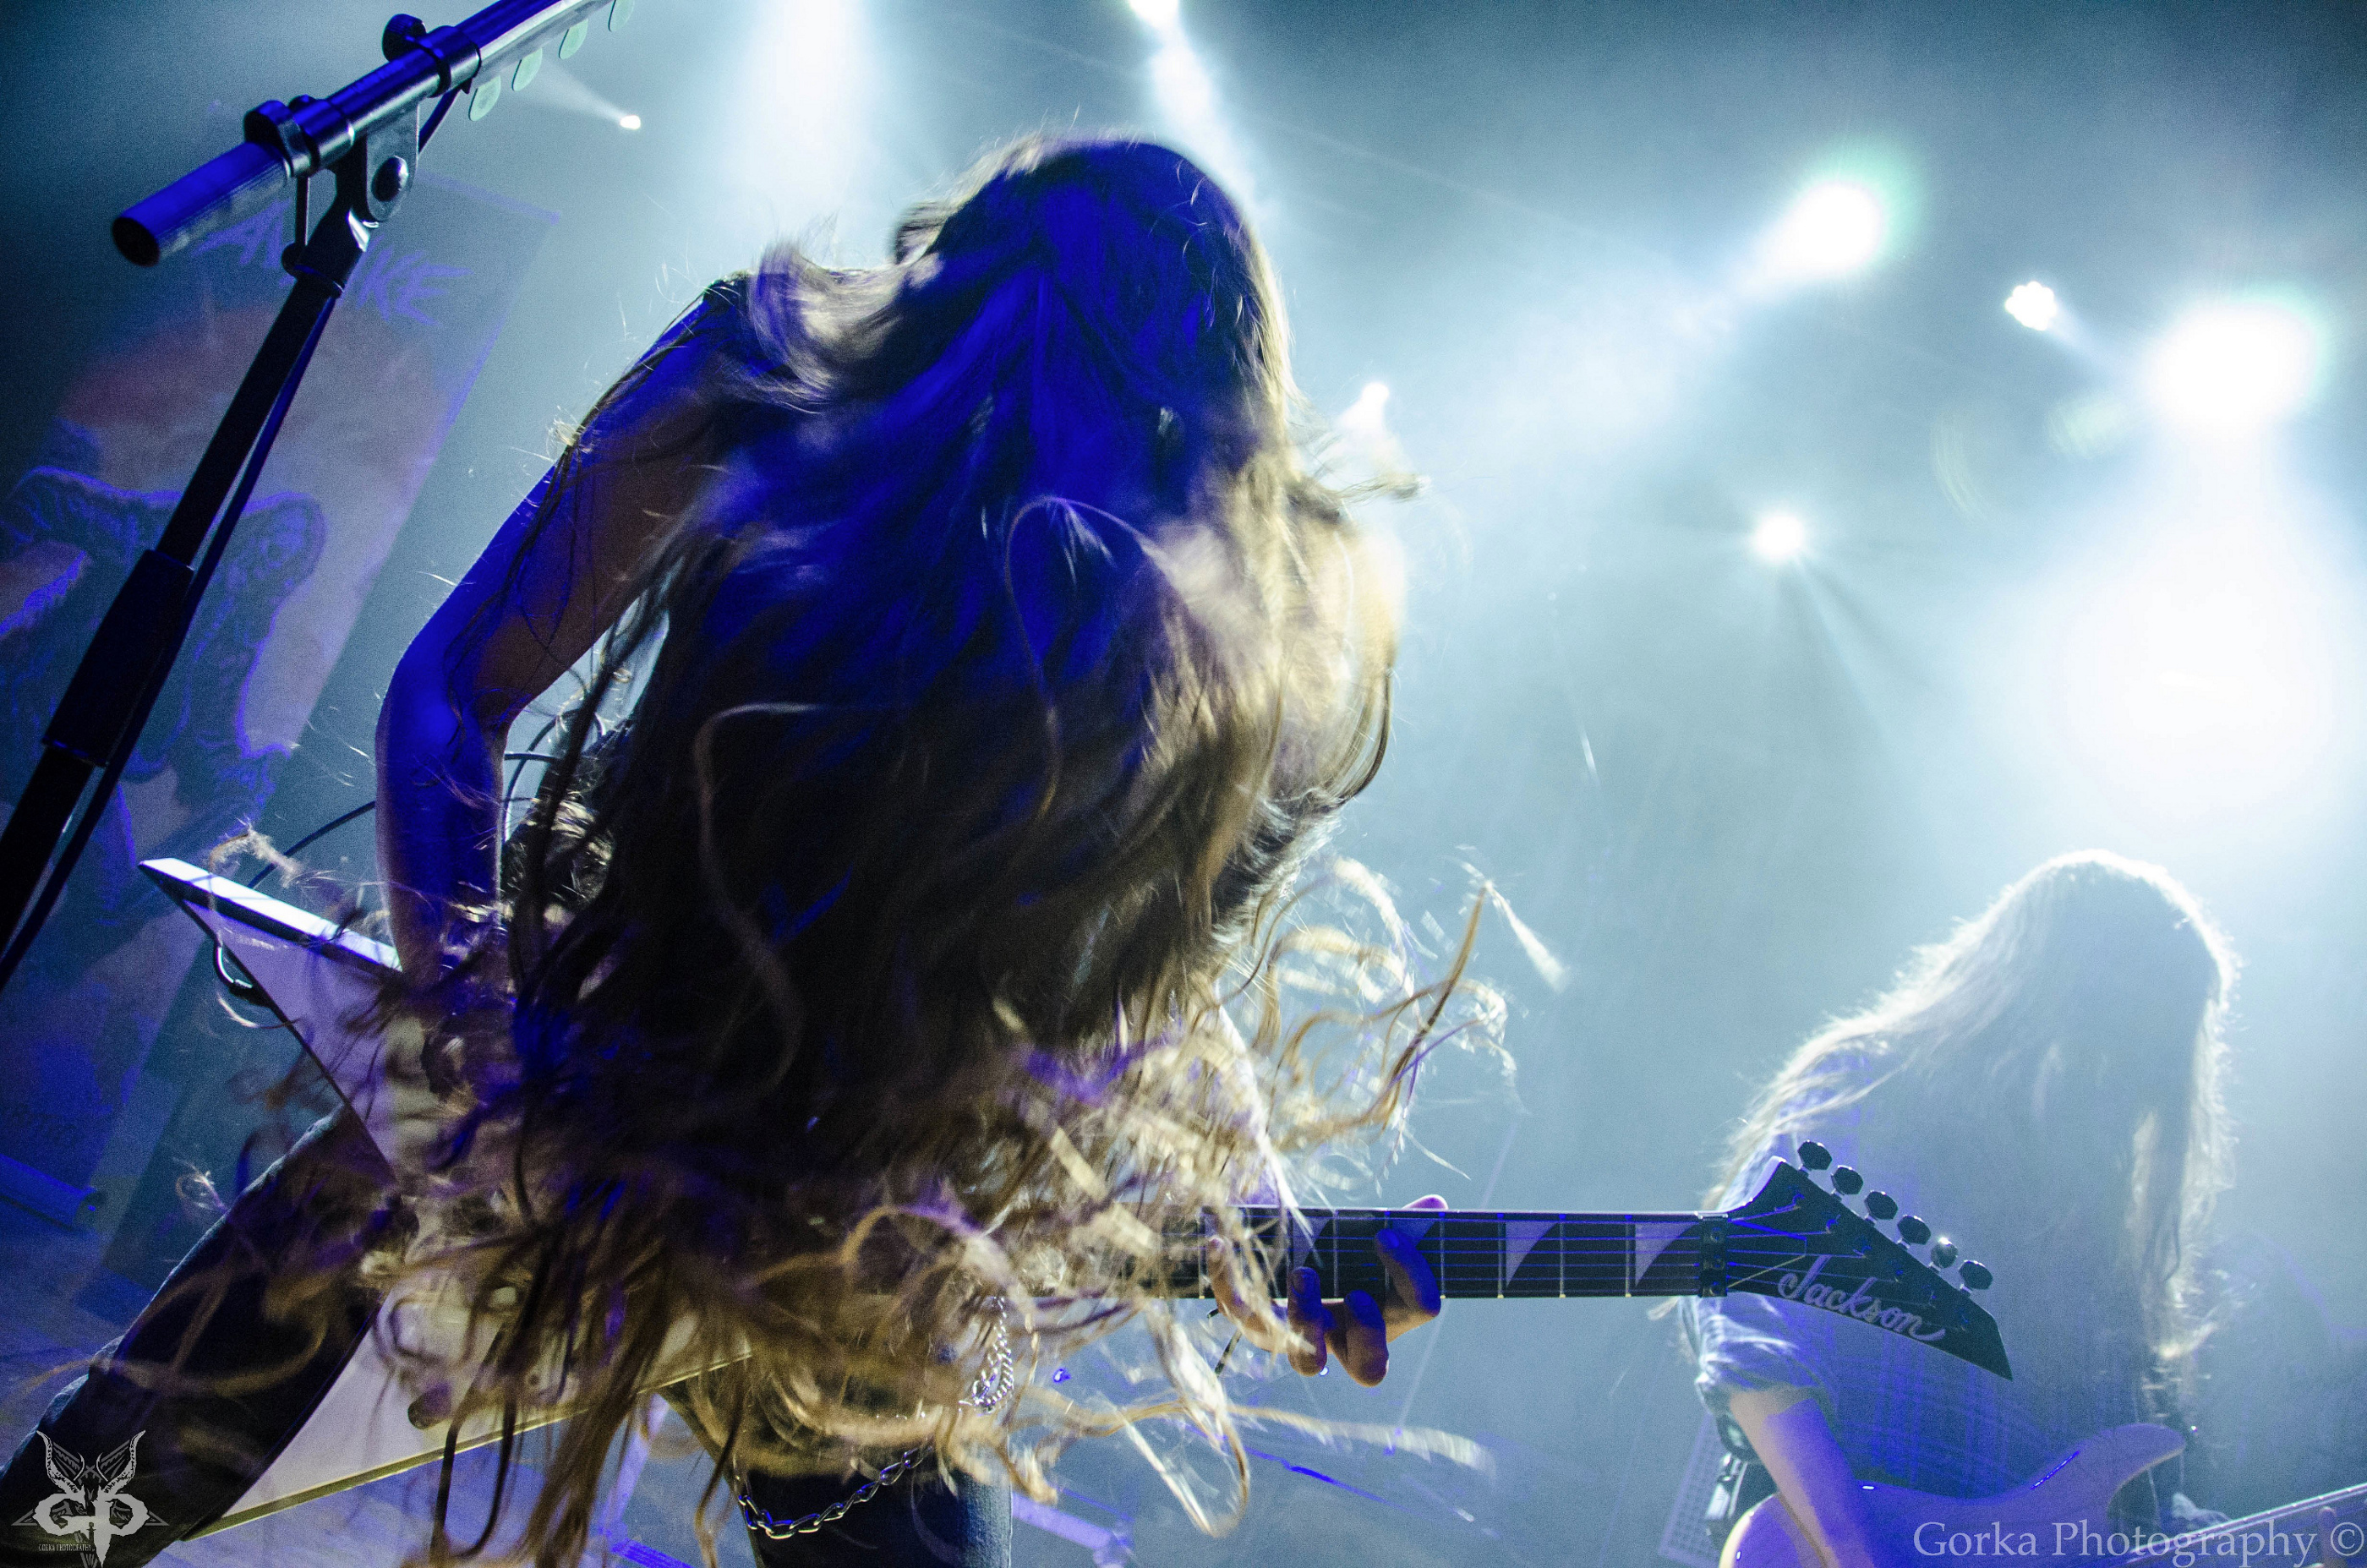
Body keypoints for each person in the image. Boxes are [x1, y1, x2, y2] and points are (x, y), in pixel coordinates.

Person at [0, 135, 1462, 1568]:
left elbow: (1159, 964)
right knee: (89, 1504)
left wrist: (1270, 1229)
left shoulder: (1230, 597)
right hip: (600, 1053)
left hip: (876, 1206)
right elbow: (456, 683)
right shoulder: (772, 361)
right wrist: (468, 1034)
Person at [1681, 851, 2234, 1568]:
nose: (2131, 1082)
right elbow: (1752, 1307)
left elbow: (2124, 1519)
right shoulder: (1880, 1099)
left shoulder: (2096, 1260)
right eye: (2128, 1031)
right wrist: (1859, 1552)